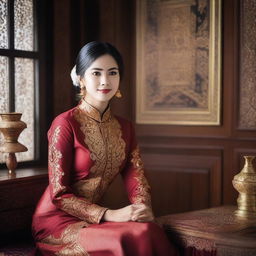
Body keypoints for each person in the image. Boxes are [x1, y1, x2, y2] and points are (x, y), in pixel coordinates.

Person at [32, 41, 178, 256]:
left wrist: (142, 209)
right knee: (122, 238)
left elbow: (135, 176)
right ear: (81, 79)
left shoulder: (125, 127)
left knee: (147, 229)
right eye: (96, 73)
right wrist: (109, 214)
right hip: (56, 222)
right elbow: (59, 194)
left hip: (93, 218)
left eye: (112, 72)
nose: (105, 81)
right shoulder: (64, 123)